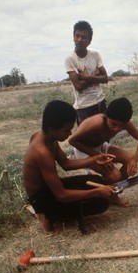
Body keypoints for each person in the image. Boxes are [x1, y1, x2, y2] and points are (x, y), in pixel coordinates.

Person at [22, 100, 117, 234]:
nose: (70, 134)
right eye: (67, 130)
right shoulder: (42, 153)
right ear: (52, 129)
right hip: (42, 197)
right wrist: (97, 192)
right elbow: (61, 195)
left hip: (51, 187)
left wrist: (95, 158)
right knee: (100, 201)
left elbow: (66, 164)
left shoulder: (46, 136)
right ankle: (46, 214)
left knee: (98, 181)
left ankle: (52, 211)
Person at [68, 97, 138, 189]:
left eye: (121, 126)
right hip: (83, 150)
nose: (117, 128)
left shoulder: (125, 123)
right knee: (115, 176)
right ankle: (109, 192)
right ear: (106, 117)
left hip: (100, 145)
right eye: (113, 124)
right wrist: (97, 156)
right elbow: (72, 141)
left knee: (129, 159)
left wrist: (135, 159)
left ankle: (113, 190)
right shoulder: (95, 123)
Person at [64, 20, 109, 124]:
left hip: (100, 103)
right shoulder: (70, 59)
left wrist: (87, 77)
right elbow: (78, 86)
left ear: (89, 41)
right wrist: (96, 77)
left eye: (84, 37)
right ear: (73, 37)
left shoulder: (95, 55)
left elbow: (106, 78)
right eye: (77, 36)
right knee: (87, 139)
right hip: (84, 109)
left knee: (104, 137)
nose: (79, 40)